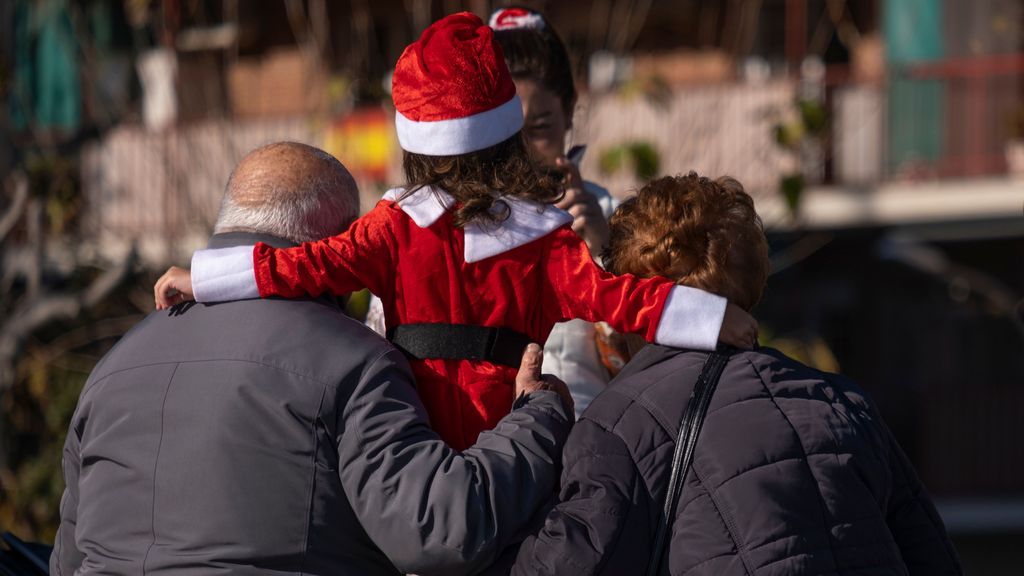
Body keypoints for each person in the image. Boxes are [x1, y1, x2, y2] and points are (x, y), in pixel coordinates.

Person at [153, 13, 758, 451]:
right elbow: (620, 298)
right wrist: (711, 317)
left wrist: (201, 275)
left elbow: (297, 266)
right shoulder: (547, 243)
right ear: (506, 137)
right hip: (519, 450)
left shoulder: (390, 229)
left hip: (411, 447)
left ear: (416, 143)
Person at [51, 142, 575, 576]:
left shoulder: (112, 366)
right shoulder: (354, 362)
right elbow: (439, 529)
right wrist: (537, 415)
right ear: (334, 249)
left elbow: (69, 558)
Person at [510, 173, 963, 575]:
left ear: (632, 297)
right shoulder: (841, 400)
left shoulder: (618, 424)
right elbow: (931, 555)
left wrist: (531, 426)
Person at [490, 6, 616, 417]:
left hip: (595, 441)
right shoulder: (456, 223)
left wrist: (604, 253)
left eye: (540, 127)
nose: (523, 151)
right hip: (493, 449)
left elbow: (644, 365)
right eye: (507, 133)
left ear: (568, 113)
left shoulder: (615, 215)